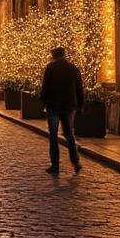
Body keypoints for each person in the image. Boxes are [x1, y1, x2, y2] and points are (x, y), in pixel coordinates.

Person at [39, 47, 84, 175]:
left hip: (54, 105)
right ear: (64, 55)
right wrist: (80, 104)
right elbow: (79, 88)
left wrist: (42, 101)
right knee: (69, 134)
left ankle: (55, 166)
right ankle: (75, 162)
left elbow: (45, 86)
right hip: (70, 105)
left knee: (53, 136)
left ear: (53, 56)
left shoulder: (51, 67)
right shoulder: (73, 68)